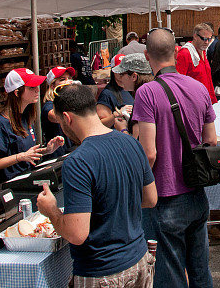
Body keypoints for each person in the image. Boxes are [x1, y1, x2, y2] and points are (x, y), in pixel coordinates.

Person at [36, 83, 158, 287]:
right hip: (139, 261)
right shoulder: (131, 143)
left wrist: (51, 211)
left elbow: (76, 234)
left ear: (67, 118)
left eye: (60, 123)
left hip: (102, 271)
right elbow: (150, 199)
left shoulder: (78, 161)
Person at [134, 29, 217, 288]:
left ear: (147, 55)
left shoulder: (147, 92)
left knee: (169, 275)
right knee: (200, 270)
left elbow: (149, 152)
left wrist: (137, 189)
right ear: (175, 52)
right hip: (196, 191)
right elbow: (211, 140)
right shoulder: (198, 88)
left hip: (163, 194)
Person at [0, 69, 64, 181]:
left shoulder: (26, 117)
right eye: (32, 87)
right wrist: (20, 157)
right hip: (11, 183)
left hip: (28, 178)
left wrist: (47, 150)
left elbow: (27, 154)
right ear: (17, 93)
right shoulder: (0, 124)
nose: (37, 90)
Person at [97, 54, 150, 131]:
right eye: (119, 72)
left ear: (134, 76)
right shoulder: (107, 94)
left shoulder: (140, 92)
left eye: (123, 72)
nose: (120, 75)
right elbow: (100, 124)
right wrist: (118, 114)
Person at [177, 23, 217, 104]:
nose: (207, 42)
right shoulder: (185, 53)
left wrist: (213, 101)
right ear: (195, 36)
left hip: (206, 101)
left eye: (209, 39)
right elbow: (178, 82)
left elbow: (209, 81)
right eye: (204, 39)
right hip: (193, 102)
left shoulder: (203, 52)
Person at [42, 66, 76, 159]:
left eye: (69, 78)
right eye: (62, 79)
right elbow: (56, 117)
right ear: (53, 86)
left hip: (69, 152)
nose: (68, 82)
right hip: (56, 157)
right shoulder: (49, 106)